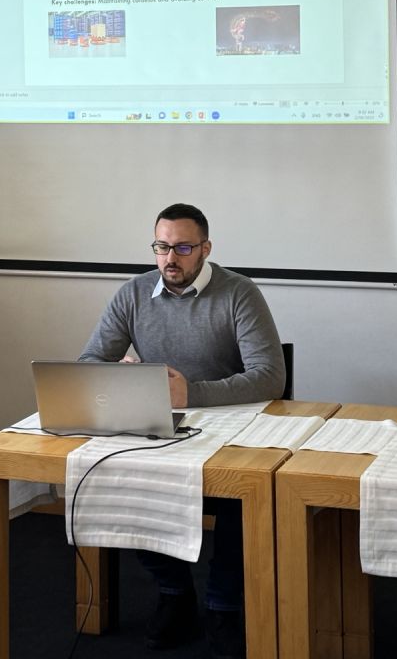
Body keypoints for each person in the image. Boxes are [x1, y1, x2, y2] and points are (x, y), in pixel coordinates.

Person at [78, 203, 285, 659]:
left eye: (183, 248)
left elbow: (270, 377)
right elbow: (89, 362)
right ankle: (174, 593)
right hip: (161, 428)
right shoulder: (133, 293)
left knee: (240, 496)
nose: (170, 258)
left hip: (231, 430)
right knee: (118, 480)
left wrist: (191, 393)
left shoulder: (239, 293)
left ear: (205, 249)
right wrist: (117, 373)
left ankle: (222, 605)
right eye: (162, 246)